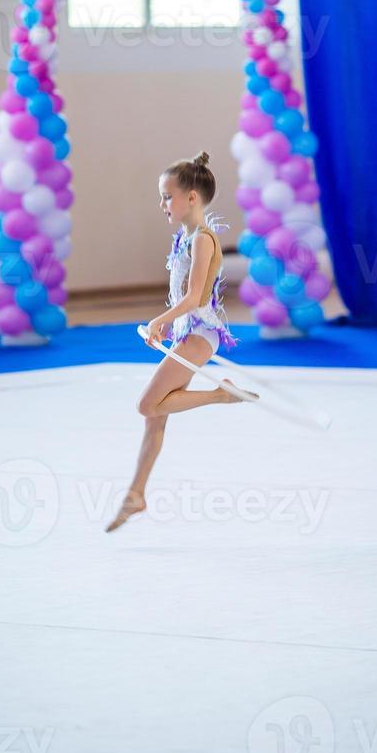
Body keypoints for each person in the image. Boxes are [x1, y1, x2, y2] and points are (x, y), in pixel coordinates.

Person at [105, 151, 258, 533]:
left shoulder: (203, 240)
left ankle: (221, 395)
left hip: (200, 333)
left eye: (167, 196)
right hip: (188, 333)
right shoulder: (185, 237)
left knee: (146, 405)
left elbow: (194, 299)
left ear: (192, 197)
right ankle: (136, 494)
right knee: (156, 418)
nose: (162, 204)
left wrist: (159, 320)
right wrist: (167, 327)